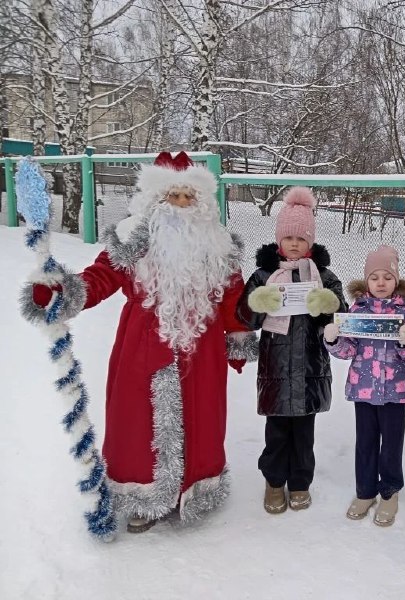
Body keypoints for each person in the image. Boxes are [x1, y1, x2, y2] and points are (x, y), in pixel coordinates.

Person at [22, 151, 258, 533]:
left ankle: (193, 489)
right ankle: (143, 495)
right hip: (143, 348)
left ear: (202, 203)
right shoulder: (133, 238)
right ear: (154, 200)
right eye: (172, 197)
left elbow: (233, 297)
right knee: (139, 423)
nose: (181, 205)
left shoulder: (220, 246)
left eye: (189, 198)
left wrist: (239, 338)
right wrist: (63, 293)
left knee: (201, 420)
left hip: (203, 354)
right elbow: (101, 277)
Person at [237, 186, 346, 514]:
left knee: (304, 433)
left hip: (311, 366)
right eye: (289, 237)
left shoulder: (323, 276)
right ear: (279, 240)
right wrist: (260, 302)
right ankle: (273, 482)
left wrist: (328, 306)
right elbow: (246, 316)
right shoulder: (264, 275)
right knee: (277, 430)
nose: (295, 244)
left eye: (301, 238)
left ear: (310, 242)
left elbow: (339, 318)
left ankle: (300, 483)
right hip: (277, 367)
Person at [323, 245, 405, 526]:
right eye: (374, 277)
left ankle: (389, 492)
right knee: (365, 442)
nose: (380, 283)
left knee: (391, 444)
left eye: (387, 277)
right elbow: (348, 351)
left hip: (395, 391)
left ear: (396, 281)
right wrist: (333, 340)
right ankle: (365, 491)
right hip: (363, 388)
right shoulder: (357, 310)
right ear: (366, 281)